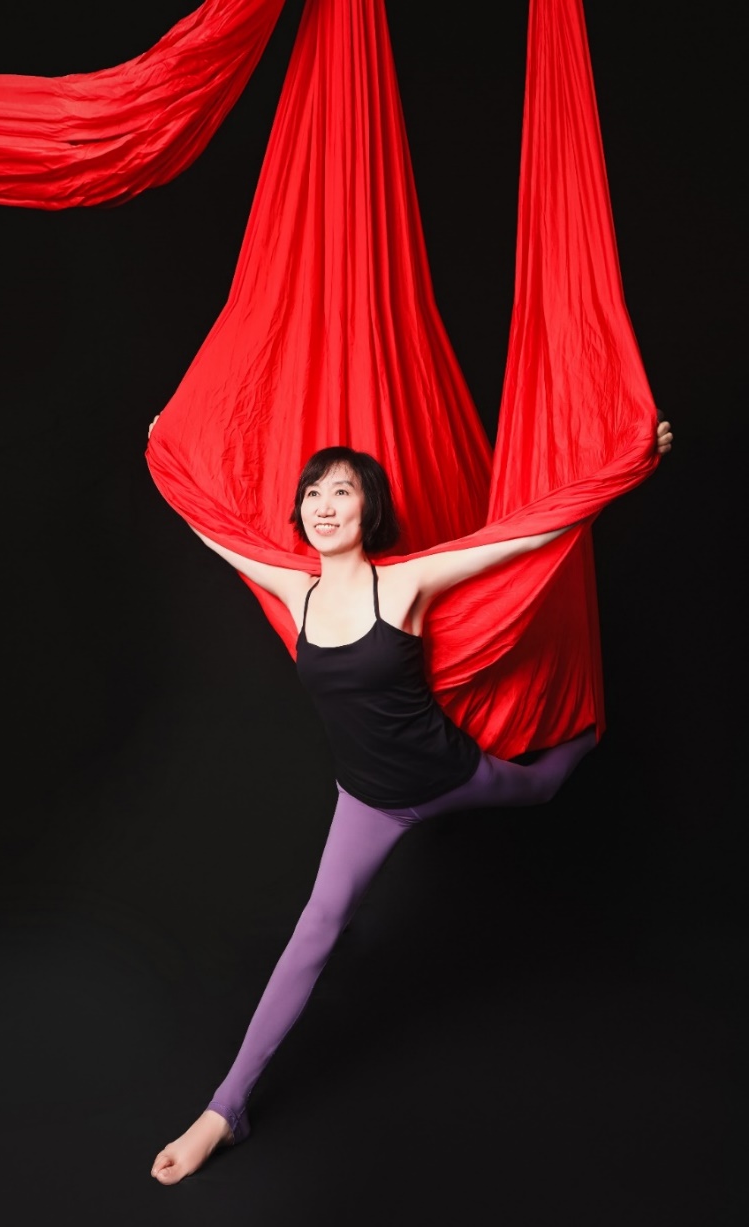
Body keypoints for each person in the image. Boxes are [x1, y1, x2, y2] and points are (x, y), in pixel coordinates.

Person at [149, 418, 674, 1184]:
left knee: (540, 783)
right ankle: (225, 1110)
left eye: (343, 492)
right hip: (368, 802)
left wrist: (630, 465)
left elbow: (530, 538)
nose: (325, 505)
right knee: (315, 931)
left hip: (450, 772)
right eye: (313, 493)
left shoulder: (404, 582)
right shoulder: (294, 588)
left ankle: (588, 729)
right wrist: (165, 454)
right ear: (300, 512)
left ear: (369, 510)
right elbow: (212, 533)